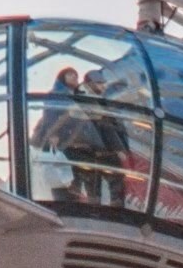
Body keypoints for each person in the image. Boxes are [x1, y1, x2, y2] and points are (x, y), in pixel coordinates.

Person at [37, 66, 133, 214]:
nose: (103, 86)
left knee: (92, 182)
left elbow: (110, 125)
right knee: (83, 182)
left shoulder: (83, 97)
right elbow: (51, 114)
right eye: (70, 76)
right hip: (82, 147)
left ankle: (94, 211)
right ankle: (80, 211)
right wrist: (53, 135)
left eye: (75, 76)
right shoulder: (67, 96)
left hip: (89, 147)